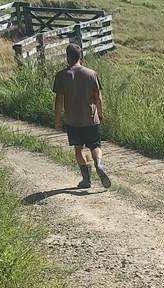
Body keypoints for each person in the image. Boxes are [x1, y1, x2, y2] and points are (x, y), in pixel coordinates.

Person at [53, 43, 111, 189]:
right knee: (95, 146)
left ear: (68, 57)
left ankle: (86, 179)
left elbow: (59, 100)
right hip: (91, 118)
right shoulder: (91, 74)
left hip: (73, 120)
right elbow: (98, 97)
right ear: (81, 56)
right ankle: (99, 164)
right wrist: (100, 112)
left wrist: (57, 120)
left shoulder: (61, 76)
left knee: (79, 148)